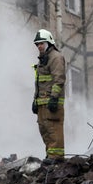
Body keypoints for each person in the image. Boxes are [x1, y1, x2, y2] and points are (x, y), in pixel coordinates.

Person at [31, 29, 66, 165]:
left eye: (41, 43)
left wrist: (54, 98)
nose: (39, 46)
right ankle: (50, 155)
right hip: (42, 103)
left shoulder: (56, 57)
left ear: (49, 42)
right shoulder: (42, 60)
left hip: (52, 102)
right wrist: (35, 101)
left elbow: (59, 79)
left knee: (53, 129)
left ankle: (56, 158)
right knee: (44, 129)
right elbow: (39, 83)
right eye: (37, 44)